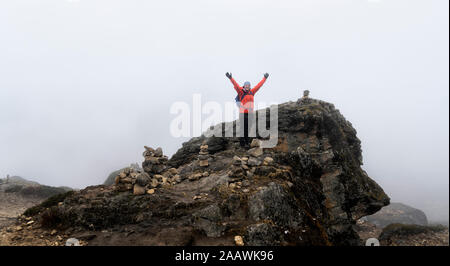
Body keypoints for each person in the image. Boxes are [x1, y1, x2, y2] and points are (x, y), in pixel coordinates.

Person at [226, 72, 269, 147]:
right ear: (244, 86)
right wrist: (230, 78)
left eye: (248, 85)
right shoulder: (240, 92)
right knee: (243, 128)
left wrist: (265, 78)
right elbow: (235, 85)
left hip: (250, 114)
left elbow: (259, 85)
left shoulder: (252, 92)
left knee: (248, 128)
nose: (247, 86)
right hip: (243, 113)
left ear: (250, 86)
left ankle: (247, 142)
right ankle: (242, 144)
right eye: (246, 85)